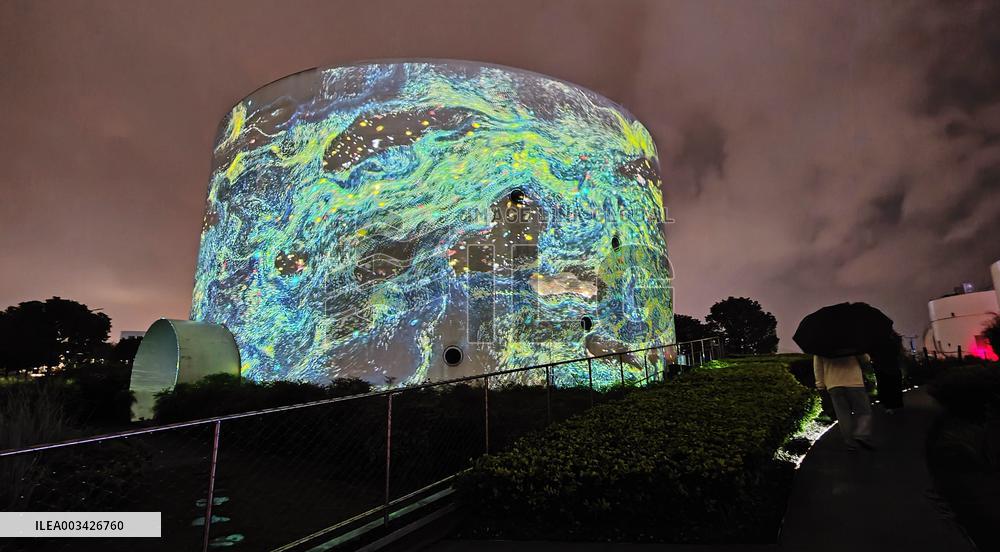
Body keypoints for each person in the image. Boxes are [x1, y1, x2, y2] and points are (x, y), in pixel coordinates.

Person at [814, 354, 875, 451]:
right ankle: (861, 435)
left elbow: (818, 367)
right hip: (854, 382)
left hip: (833, 384)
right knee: (863, 411)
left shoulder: (820, 344)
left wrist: (820, 384)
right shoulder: (850, 340)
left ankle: (850, 442)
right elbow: (865, 358)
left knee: (842, 414)